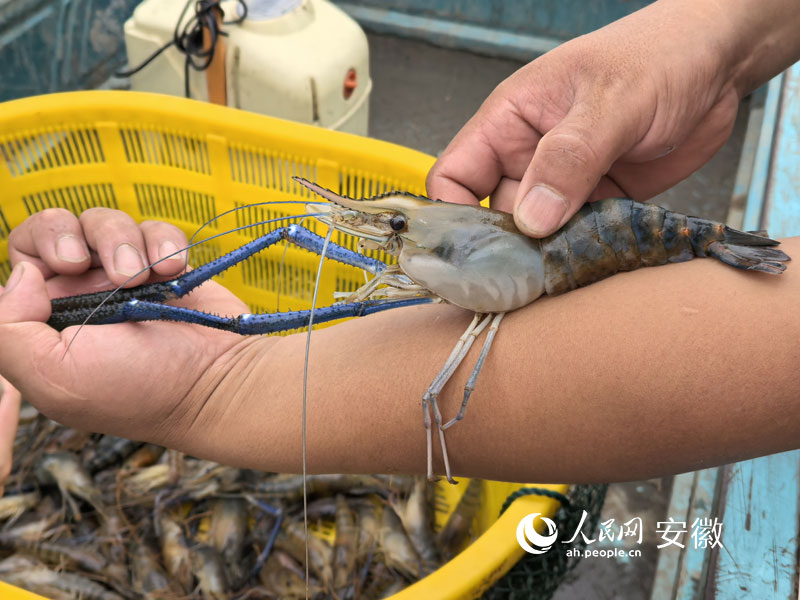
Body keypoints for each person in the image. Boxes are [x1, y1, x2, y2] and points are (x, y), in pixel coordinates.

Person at [0, 0, 798, 489]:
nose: (386, 235)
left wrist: (218, 385)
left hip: (632, 245)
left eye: (395, 227)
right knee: (330, 236)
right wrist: (719, 32)